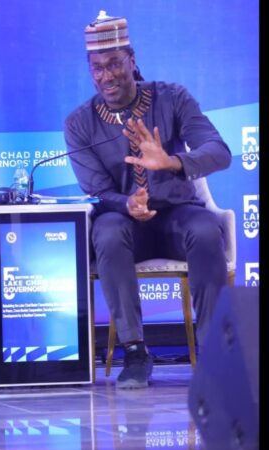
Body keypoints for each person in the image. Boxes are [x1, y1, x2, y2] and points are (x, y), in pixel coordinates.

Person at [65, 12, 231, 389]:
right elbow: (96, 188)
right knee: (106, 233)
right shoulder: (79, 123)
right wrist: (126, 204)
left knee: (207, 229)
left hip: (176, 214)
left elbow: (219, 152)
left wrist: (172, 162)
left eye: (114, 64)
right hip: (122, 219)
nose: (106, 76)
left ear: (132, 59)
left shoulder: (172, 97)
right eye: (97, 68)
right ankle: (135, 352)